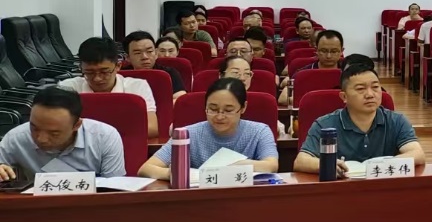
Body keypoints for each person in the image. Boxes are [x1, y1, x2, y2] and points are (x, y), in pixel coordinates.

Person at [294, 63, 425, 177]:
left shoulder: (397, 121)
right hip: (340, 189)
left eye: (375, 87)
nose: (370, 94)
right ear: (344, 97)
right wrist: (327, 165)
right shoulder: (324, 124)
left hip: (383, 188)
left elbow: (417, 153)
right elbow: (301, 161)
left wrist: (383, 166)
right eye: (361, 89)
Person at [140, 78, 278, 180]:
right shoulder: (189, 133)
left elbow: (271, 165)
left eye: (228, 110)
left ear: (243, 108)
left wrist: (233, 165)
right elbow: (146, 169)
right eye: (212, 109)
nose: (219, 116)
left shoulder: (259, 131)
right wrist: (175, 174)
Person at [0, 87, 125, 181]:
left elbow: (114, 188)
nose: (41, 139)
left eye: (54, 133)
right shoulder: (15, 139)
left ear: (76, 125)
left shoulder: (104, 137)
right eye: (34, 128)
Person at [59, 37, 158, 138]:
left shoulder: (137, 87)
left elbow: (152, 128)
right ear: (81, 68)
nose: (97, 78)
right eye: (89, 72)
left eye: (104, 72)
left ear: (118, 66)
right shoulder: (68, 88)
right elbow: (58, 128)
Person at [123, 30, 187, 97]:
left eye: (149, 51)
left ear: (156, 53)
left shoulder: (169, 73)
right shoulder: (121, 75)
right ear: (127, 57)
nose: (145, 57)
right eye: (138, 53)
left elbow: (179, 98)